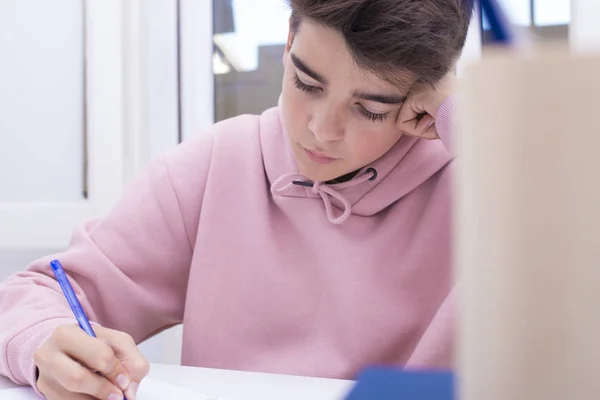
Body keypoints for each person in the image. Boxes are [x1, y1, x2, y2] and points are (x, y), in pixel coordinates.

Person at [0, 0, 473, 399]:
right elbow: (38, 294)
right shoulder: (216, 166)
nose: (320, 130)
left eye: (370, 109)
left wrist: (464, 113)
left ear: (424, 100)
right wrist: (43, 341)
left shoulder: (487, 188)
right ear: (289, 39)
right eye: (307, 83)